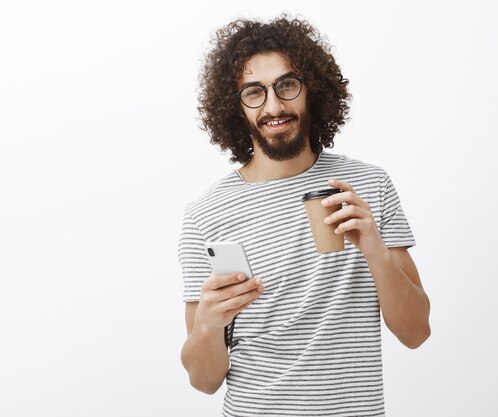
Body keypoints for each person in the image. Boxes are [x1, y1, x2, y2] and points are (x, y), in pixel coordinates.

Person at [178, 14, 431, 417]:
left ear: (312, 89)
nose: (274, 106)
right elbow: (203, 381)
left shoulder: (369, 184)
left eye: (287, 85)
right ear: (235, 106)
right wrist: (209, 324)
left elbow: (417, 332)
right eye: (254, 92)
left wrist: (374, 249)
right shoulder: (206, 214)